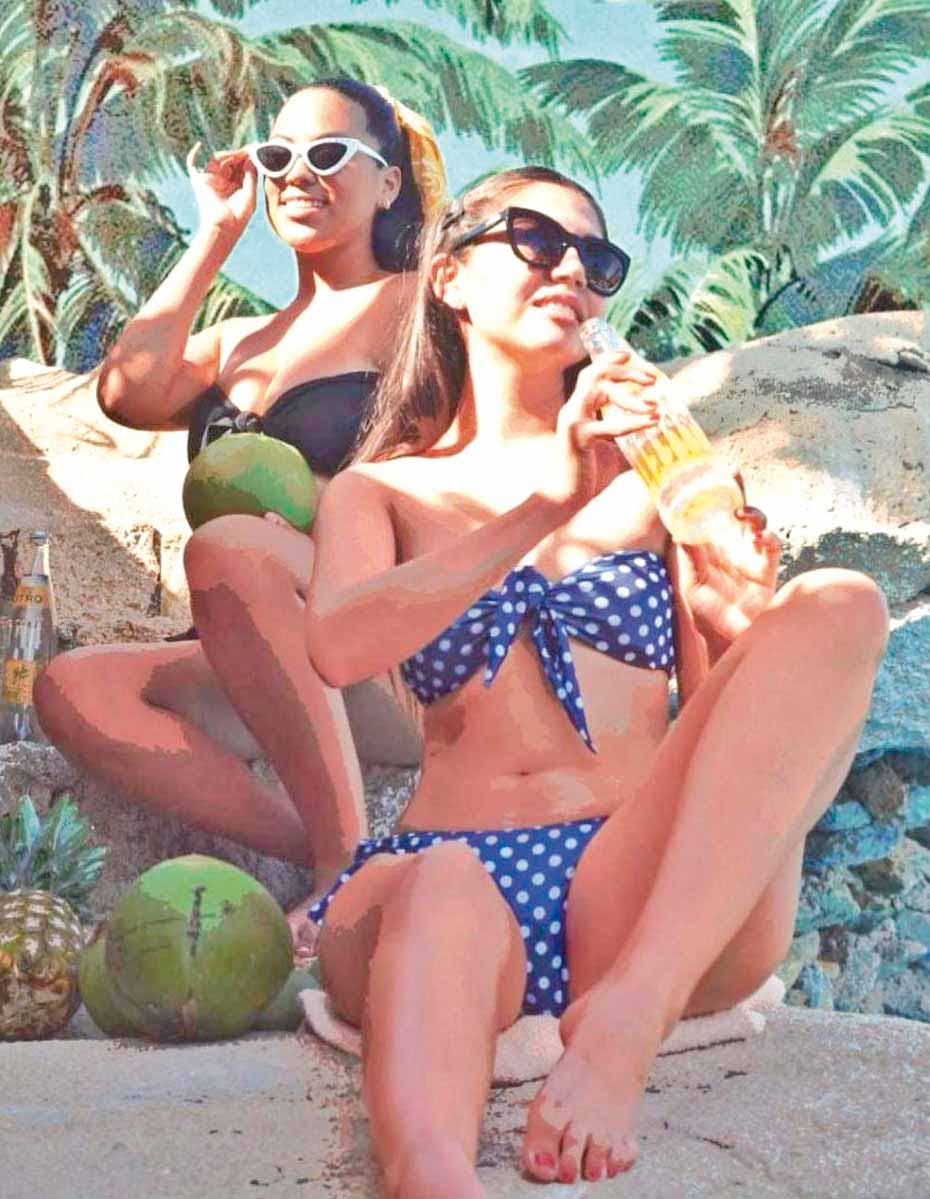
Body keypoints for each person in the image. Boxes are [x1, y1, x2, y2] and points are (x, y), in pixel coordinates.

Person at [300, 166, 889, 1196]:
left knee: (840, 601)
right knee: (444, 885)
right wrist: (551, 500)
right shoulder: (381, 489)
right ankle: (431, 1176)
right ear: (450, 277)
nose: (571, 268)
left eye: (597, 257)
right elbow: (339, 647)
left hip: (634, 896)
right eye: (535, 238)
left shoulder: (666, 484)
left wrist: (731, 621)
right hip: (449, 878)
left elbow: (726, 751)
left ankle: (627, 1018)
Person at [34, 79, 445, 949]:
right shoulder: (239, 340)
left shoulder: (423, 310)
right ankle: (332, 848)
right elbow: (126, 390)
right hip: (264, 649)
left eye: (328, 153)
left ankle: (340, 873)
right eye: (278, 156)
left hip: (384, 649)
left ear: (389, 182)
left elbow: (471, 468)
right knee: (73, 686)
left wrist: (330, 515)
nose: (298, 173)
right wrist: (214, 234)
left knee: (234, 546)